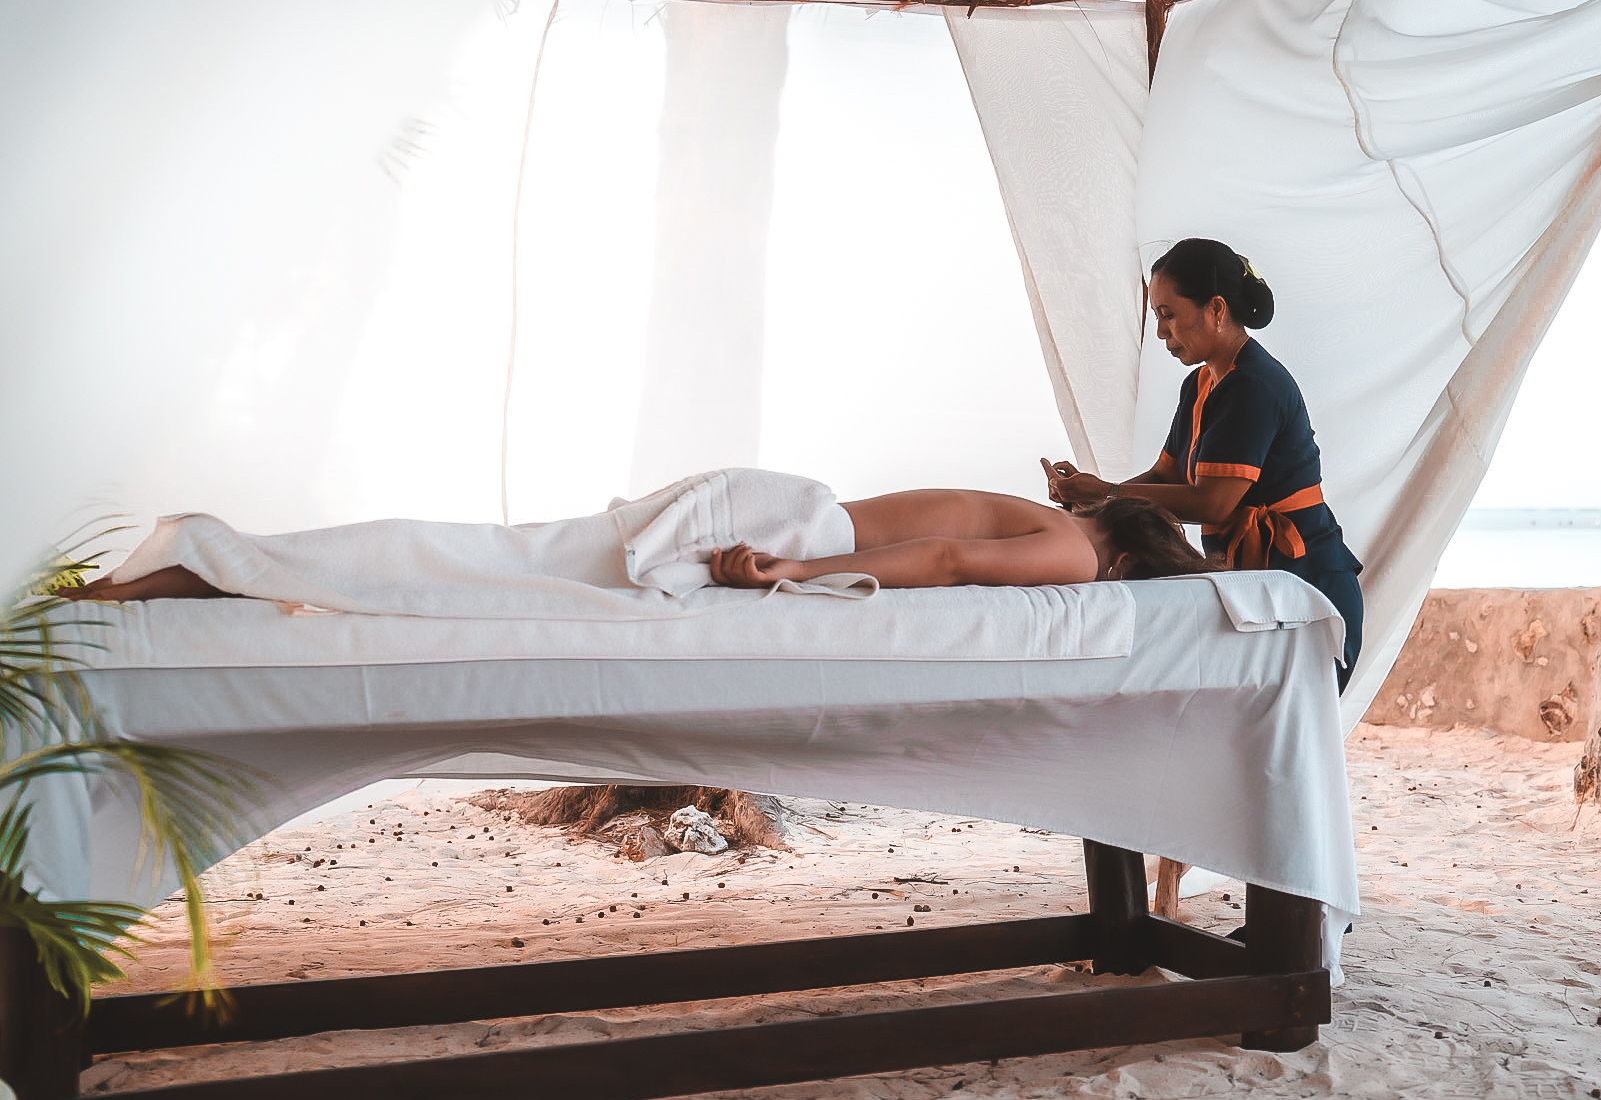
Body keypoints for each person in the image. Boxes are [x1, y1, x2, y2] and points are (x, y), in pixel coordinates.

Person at [1043, 237, 1364, 690]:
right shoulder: (1199, 386)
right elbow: (1165, 477)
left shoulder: (1254, 384)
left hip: (1305, 585)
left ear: (1215, 309)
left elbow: (1212, 503)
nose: (1161, 332)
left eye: (1168, 315)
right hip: (1254, 584)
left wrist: (1107, 494)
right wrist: (1091, 503)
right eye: (1158, 317)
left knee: (1285, 748)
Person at [61, 490, 1214, 602]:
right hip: (787, 531)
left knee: (496, 557)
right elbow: (954, 569)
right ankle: (203, 561)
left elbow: (954, 545)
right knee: (485, 569)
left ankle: (197, 564)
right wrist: (794, 575)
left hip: (774, 500)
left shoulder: (1047, 516)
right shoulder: (1073, 552)